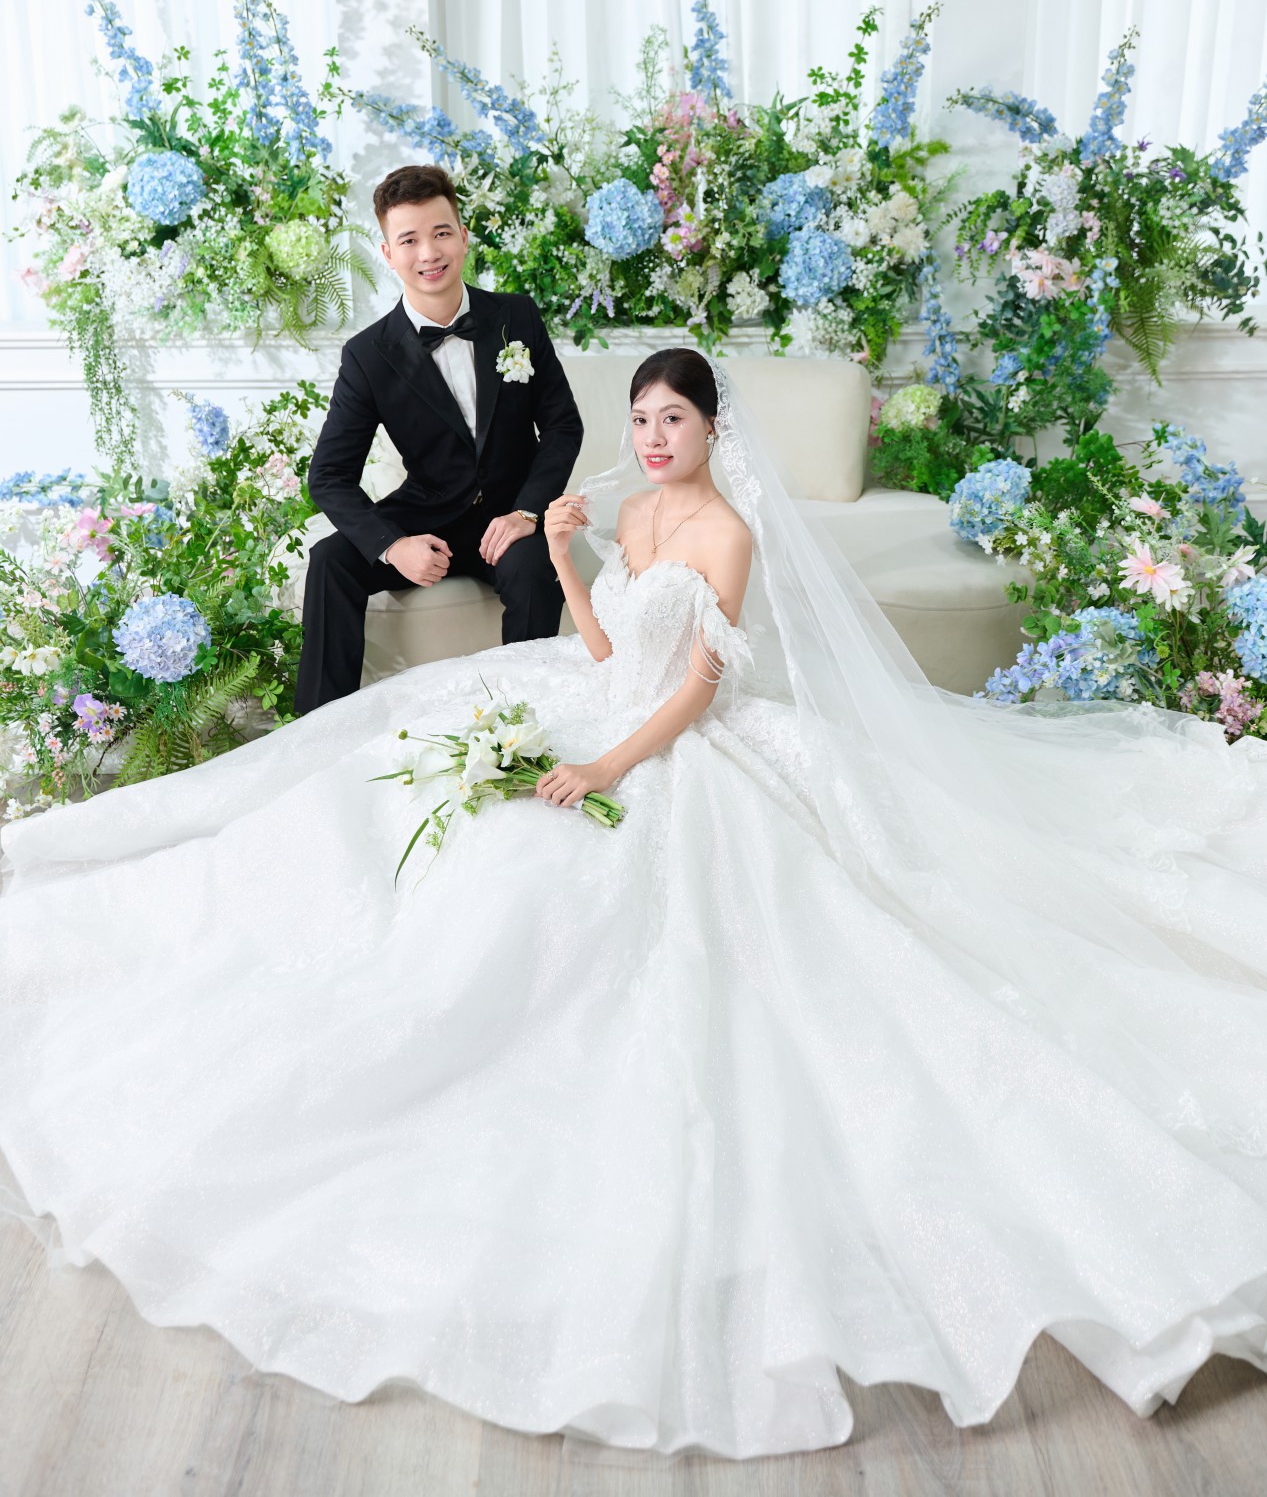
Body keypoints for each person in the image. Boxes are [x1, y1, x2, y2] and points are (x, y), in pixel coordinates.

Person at [2, 348, 1267, 1460]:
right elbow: (610, 653)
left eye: (675, 420)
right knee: (407, 802)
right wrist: (566, 558)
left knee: (613, 887)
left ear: (714, 428)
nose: (654, 438)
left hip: (676, 747)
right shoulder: (639, 514)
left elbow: (697, 689)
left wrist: (608, 766)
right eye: (643, 420)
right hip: (602, 701)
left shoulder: (725, 533)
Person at [295, 162, 583, 713]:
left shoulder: (517, 316)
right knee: (330, 560)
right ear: (388, 254)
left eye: (441, 233)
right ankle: (319, 732)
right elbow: (328, 476)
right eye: (409, 240)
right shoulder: (367, 355)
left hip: (510, 517)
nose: (428, 253)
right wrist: (392, 545)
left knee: (532, 569)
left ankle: (524, 726)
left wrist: (527, 512)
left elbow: (563, 425)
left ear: (464, 237)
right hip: (425, 515)